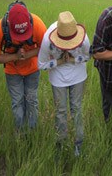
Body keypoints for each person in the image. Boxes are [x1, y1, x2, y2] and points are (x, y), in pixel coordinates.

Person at [38, 11, 90, 157]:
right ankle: (60, 144)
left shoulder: (84, 38)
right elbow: (41, 64)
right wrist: (60, 61)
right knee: (60, 111)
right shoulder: (48, 40)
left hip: (78, 76)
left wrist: (72, 60)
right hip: (57, 79)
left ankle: (78, 144)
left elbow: (88, 56)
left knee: (76, 109)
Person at [0, 1, 46, 131]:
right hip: (12, 71)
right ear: (9, 24)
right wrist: (15, 57)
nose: (20, 39)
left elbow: (46, 48)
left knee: (31, 101)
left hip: (32, 69)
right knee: (17, 102)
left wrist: (27, 54)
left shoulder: (37, 24)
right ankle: (20, 134)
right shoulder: (0, 29)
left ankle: (32, 132)